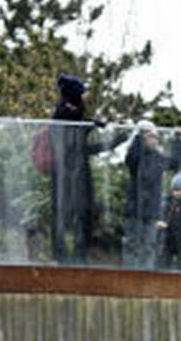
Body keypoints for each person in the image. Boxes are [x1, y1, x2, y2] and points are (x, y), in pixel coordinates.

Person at [43, 72, 122, 264]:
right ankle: (61, 256)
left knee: (84, 213)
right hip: (64, 174)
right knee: (63, 214)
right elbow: (74, 148)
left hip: (79, 173)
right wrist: (92, 127)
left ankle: (79, 254)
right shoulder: (62, 117)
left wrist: (100, 133)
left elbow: (81, 148)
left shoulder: (76, 116)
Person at [121, 122, 177, 270]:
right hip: (134, 208)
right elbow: (130, 158)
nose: (155, 140)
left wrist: (178, 141)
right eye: (151, 136)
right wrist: (139, 135)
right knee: (131, 243)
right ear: (143, 138)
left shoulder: (159, 157)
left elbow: (175, 163)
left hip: (152, 210)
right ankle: (130, 274)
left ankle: (146, 274)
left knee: (149, 245)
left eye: (156, 137)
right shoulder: (135, 157)